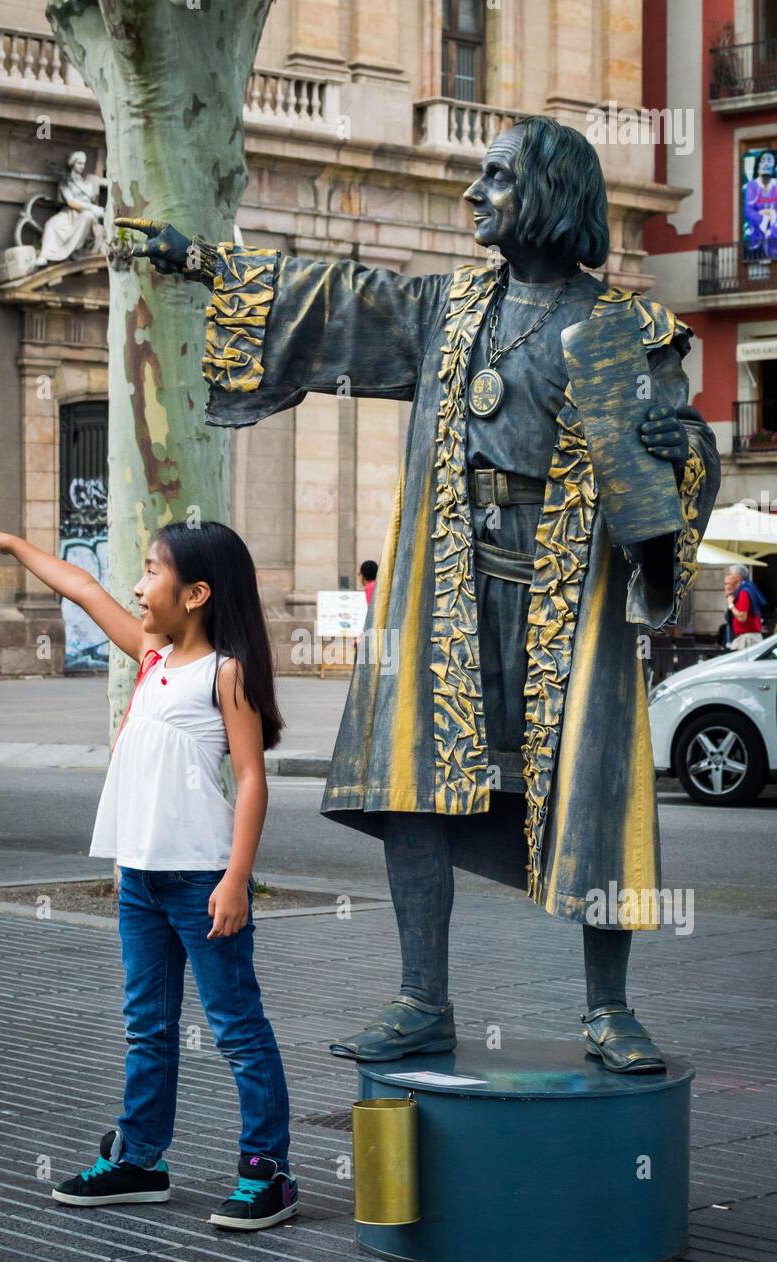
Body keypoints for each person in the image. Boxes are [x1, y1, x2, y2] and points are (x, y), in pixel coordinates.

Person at [115, 114, 721, 1076]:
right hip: (452, 580)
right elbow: (336, 297)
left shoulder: (625, 329)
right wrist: (203, 263)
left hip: (569, 597)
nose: (474, 194)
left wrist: (675, 464)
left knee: (592, 788)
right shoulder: (453, 310)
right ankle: (422, 1002)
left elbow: (682, 460)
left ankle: (610, 1008)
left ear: (553, 195)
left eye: (495, 177)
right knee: (417, 785)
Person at [0, 518, 297, 1230]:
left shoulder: (224, 672)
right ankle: (141, 1158)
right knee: (148, 1026)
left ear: (196, 593)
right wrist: (14, 547)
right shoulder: (151, 654)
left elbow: (252, 778)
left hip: (201, 880)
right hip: (139, 878)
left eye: (151, 572)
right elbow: (80, 586)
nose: (137, 587)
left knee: (237, 1028)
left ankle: (269, 1170)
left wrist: (237, 879)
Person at [723, 564, 766, 649]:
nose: (728, 577)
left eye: (730, 574)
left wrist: (731, 604)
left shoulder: (744, 592)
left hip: (747, 639)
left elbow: (742, 617)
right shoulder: (746, 589)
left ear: (738, 578)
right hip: (746, 637)